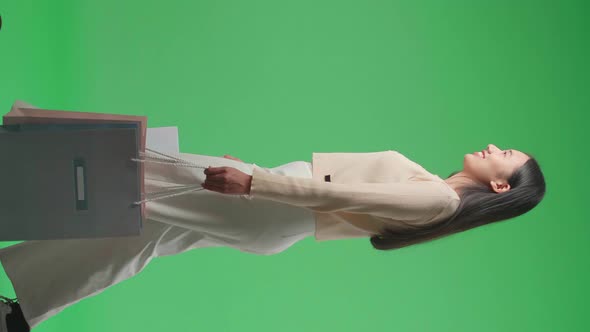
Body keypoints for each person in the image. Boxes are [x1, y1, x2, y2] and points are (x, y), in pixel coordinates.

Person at [0, 144, 546, 330]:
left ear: (500, 184)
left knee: (137, 173)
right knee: (140, 233)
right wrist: (256, 172)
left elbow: (335, 196)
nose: (496, 146)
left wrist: (253, 182)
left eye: (506, 155)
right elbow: (327, 186)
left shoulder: (439, 200)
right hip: (271, 210)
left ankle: (17, 180)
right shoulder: (433, 188)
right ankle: (22, 310)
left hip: (272, 208)